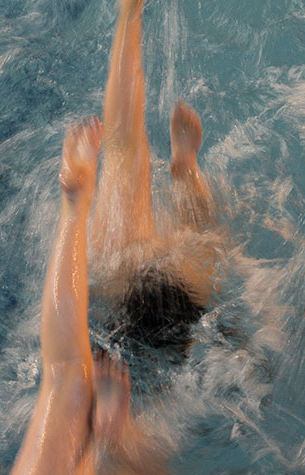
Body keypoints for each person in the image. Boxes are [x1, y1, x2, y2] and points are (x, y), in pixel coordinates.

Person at [0, 118, 185, 475]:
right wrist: (109, 438)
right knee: (67, 380)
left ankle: (74, 211)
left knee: (65, 377)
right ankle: (74, 210)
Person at [90, 0, 218, 352]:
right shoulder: (113, 266)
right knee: (123, 152)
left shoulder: (115, 266)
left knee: (199, 239)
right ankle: (186, 168)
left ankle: (186, 167)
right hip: (159, 298)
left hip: (171, 292)